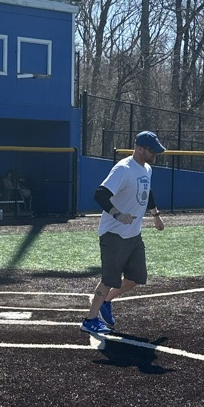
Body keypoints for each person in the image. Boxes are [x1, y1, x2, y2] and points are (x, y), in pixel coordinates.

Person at [80, 130, 166, 337]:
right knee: (109, 279)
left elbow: (148, 192)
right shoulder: (123, 169)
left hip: (133, 234)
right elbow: (100, 194)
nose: (155, 154)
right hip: (114, 234)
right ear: (139, 148)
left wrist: (155, 215)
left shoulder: (147, 169)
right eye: (151, 150)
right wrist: (117, 214)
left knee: (137, 277)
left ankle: (106, 301)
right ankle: (89, 321)